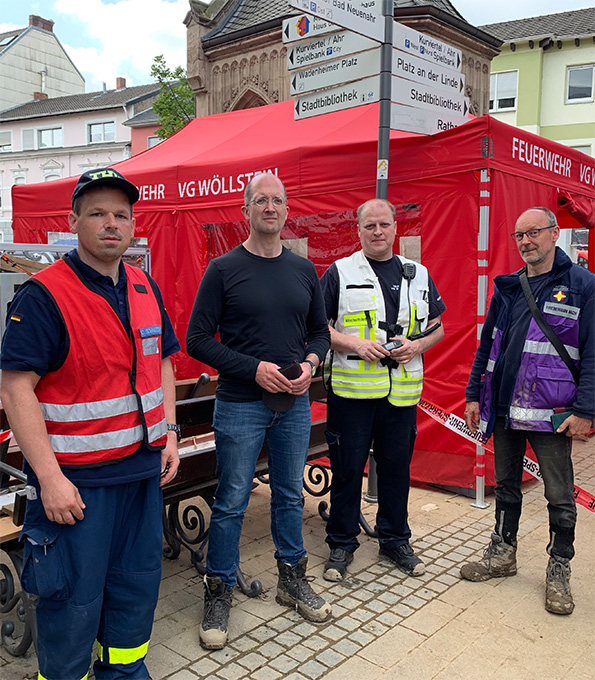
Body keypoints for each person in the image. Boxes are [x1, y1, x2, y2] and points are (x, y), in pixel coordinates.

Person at [0, 168, 181, 680]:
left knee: (134, 589)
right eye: (97, 213)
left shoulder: (144, 285)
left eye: (121, 215)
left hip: (140, 476)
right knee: (72, 604)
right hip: (77, 489)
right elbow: (15, 389)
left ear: (132, 225)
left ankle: (125, 673)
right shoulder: (44, 295)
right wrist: (50, 479)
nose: (110, 224)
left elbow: (163, 362)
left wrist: (167, 432)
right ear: (74, 220)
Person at [186, 173, 332, 650]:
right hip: (241, 405)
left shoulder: (303, 270)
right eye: (260, 200)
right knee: (231, 502)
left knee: (290, 495)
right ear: (244, 210)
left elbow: (320, 334)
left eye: (278, 200)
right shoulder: (223, 269)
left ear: (287, 210)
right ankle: (219, 589)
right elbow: (197, 340)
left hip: (292, 403)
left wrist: (311, 363)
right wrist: (254, 369)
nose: (270, 207)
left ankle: (291, 579)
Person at [460, 206, 595, 615]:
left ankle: (559, 567)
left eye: (534, 232)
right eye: (519, 235)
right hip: (503, 409)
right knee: (506, 486)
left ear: (555, 234)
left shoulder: (582, 285)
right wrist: (472, 393)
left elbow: (592, 353)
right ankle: (503, 553)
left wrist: (586, 409)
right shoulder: (509, 287)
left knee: (558, 494)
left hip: (551, 412)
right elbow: (488, 345)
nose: (525, 242)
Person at [320, 198, 445, 582]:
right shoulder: (339, 273)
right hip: (352, 395)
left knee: (396, 471)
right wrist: (356, 345)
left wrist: (417, 345)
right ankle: (341, 544)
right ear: (358, 230)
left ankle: (394, 540)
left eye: (384, 225)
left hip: (401, 397)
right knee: (345, 471)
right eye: (370, 226)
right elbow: (318, 329)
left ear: (395, 228)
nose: (377, 232)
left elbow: (438, 327)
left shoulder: (418, 274)